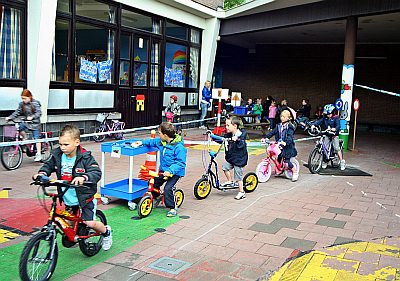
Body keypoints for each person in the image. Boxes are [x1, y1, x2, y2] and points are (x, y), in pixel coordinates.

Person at [33, 125, 112, 250]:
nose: (62, 148)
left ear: (77, 142)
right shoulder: (57, 155)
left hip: (84, 197)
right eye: (60, 144)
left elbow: (96, 172)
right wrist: (42, 174)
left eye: (66, 144)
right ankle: (74, 236)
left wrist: (84, 177)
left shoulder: (85, 157)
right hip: (68, 195)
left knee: (89, 222)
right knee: (68, 223)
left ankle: (106, 232)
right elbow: (48, 166)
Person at [132, 122, 187, 217]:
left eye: (159, 133)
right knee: (153, 182)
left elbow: (180, 163)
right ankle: (155, 197)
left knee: (168, 188)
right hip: (163, 171)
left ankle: (172, 207)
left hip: (175, 172)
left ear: (165, 135)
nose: (159, 135)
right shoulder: (162, 142)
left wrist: (170, 171)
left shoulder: (179, 147)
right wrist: (141, 142)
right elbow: (152, 142)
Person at [6, 89, 43, 162]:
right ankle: (25, 138)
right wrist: (10, 117)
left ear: (30, 97)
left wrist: (32, 117)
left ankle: (39, 154)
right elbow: (17, 112)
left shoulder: (35, 103)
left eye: (25, 98)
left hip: (34, 123)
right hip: (26, 122)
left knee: (36, 138)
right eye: (22, 98)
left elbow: (39, 113)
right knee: (18, 128)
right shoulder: (22, 104)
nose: (24, 100)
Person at [262, 109, 299, 182]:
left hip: (288, 147)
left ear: (289, 118)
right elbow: (272, 132)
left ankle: (294, 172)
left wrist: (286, 142)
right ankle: (280, 169)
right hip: (280, 146)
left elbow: (290, 136)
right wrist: (266, 137)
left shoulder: (290, 127)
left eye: (284, 117)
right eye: (281, 116)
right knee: (278, 157)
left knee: (286, 161)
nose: (282, 118)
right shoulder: (278, 126)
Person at [221, 116, 249, 200]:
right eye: (226, 125)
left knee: (238, 177)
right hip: (232, 158)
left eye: (228, 125)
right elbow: (222, 139)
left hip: (239, 160)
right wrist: (212, 136)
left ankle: (241, 192)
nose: (226, 127)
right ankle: (229, 181)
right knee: (225, 167)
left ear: (235, 126)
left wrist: (237, 140)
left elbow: (241, 144)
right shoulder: (229, 134)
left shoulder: (241, 135)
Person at [311, 104, 345, 170]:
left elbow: (338, 126)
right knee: (325, 148)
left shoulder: (336, 117)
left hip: (334, 135)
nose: (328, 115)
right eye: (327, 114)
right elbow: (319, 122)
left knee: (336, 148)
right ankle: (325, 161)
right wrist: (314, 125)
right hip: (327, 134)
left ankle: (342, 162)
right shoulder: (325, 118)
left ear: (332, 112)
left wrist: (335, 129)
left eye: (329, 114)